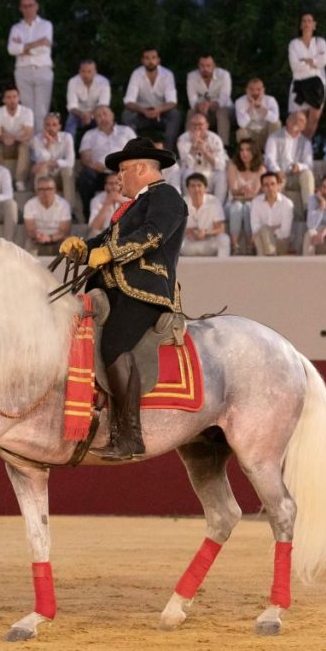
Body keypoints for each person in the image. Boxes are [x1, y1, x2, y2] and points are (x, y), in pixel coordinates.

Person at [58, 138, 186, 460]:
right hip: (116, 290)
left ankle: (130, 436)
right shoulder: (127, 208)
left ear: (141, 168)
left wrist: (107, 252)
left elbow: (151, 235)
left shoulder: (166, 197)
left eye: (123, 170)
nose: (118, 177)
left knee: (114, 344)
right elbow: (105, 240)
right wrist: (84, 249)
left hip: (145, 290)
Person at [7, 0, 54, 129]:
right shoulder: (16, 28)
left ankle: (40, 144)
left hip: (42, 69)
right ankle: (30, 143)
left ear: (36, 6)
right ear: (21, 8)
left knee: (41, 110)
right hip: (23, 70)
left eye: (31, 5)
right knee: (27, 110)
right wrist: (36, 43)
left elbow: (44, 49)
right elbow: (11, 49)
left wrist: (22, 47)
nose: (28, 9)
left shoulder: (46, 25)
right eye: (24, 6)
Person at [76, 104, 135, 205]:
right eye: (98, 116)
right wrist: (93, 165)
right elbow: (85, 157)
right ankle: (88, 213)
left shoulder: (126, 131)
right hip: (100, 171)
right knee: (85, 177)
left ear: (112, 115)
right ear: (95, 119)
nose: (102, 118)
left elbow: (136, 151)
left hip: (123, 170)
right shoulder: (90, 135)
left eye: (105, 114)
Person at [121, 47, 180, 149]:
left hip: (161, 113)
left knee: (175, 115)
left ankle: (168, 150)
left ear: (158, 60)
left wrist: (159, 109)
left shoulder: (167, 74)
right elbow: (128, 101)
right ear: (142, 61)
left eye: (153, 58)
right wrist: (143, 110)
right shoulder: (136, 74)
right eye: (147, 58)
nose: (150, 61)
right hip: (141, 113)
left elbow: (172, 101)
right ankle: (136, 149)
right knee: (126, 115)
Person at [288, 12, 326, 139]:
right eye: (304, 21)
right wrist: (313, 62)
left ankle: (306, 145)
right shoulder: (294, 44)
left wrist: (307, 61)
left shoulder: (320, 42)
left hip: (317, 85)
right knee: (299, 119)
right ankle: (295, 147)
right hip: (299, 84)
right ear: (300, 25)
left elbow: (324, 60)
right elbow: (294, 65)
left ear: (314, 25)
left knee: (313, 119)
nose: (306, 24)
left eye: (309, 21)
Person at [30, 112, 78, 217]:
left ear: (60, 126)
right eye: (47, 125)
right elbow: (40, 160)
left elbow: (70, 162)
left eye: (54, 125)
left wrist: (51, 163)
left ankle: (70, 209)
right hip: (46, 175)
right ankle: (39, 208)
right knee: (41, 170)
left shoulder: (67, 137)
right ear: (43, 126)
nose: (51, 128)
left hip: (61, 176)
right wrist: (48, 144)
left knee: (67, 170)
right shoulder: (37, 139)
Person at [264, 111, 314, 208]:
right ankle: (274, 210)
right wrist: (277, 171)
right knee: (273, 180)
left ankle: (308, 210)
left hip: (296, 175)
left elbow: (309, 163)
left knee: (307, 174)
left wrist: (299, 166)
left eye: (301, 120)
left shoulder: (306, 142)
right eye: (294, 118)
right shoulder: (274, 137)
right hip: (278, 175)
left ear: (304, 126)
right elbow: (269, 158)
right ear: (287, 120)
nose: (297, 122)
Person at [0, 85, 34, 191]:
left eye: (15, 97)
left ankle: (19, 180)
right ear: (4, 100)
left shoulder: (27, 112)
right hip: (5, 145)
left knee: (25, 147)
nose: (12, 100)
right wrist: (4, 138)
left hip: (19, 143)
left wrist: (12, 138)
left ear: (19, 98)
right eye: (9, 97)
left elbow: (28, 135)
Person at [176, 112, 227, 201]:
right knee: (187, 172)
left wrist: (205, 152)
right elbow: (187, 163)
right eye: (194, 124)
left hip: (210, 172)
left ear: (207, 125)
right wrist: (194, 146)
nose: (197, 127)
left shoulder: (215, 139)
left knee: (221, 174)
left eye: (200, 124)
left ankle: (219, 205)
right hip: (193, 171)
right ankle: (187, 203)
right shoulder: (183, 139)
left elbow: (220, 164)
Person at [226, 139, 263, 254]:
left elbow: (254, 195)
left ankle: (250, 244)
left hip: (251, 203)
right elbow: (234, 191)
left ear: (254, 152)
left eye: (248, 150)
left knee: (248, 207)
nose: (244, 153)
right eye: (242, 150)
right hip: (232, 204)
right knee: (236, 207)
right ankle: (234, 245)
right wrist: (241, 192)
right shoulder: (233, 166)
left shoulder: (261, 169)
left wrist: (241, 193)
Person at [186, 54, 233, 145]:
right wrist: (199, 106)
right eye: (202, 65)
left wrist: (210, 104)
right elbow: (192, 99)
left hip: (224, 109)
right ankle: (188, 144)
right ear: (198, 66)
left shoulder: (224, 75)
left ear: (214, 66)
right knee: (191, 112)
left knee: (221, 112)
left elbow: (224, 98)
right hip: (202, 109)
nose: (205, 69)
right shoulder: (191, 76)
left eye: (208, 65)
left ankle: (223, 147)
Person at [180, 173, 229, 258]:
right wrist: (187, 231)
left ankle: (222, 269)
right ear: (188, 189)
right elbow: (174, 228)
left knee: (224, 239)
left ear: (205, 188)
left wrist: (206, 233)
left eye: (199, 185)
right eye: (192, 186)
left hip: (208, 243)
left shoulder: (214, 201)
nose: (196, 189)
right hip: (188, 244)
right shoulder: (182, 203)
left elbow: (221, 229)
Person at [23, 175, 71, 255]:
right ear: (36, 191)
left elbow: (64, 231)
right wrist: (37, 235)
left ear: (55, 190)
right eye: (41, 189)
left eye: (49, 189)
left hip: (57, 237)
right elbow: (30, 229)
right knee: (29, 242)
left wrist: (50, 238)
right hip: (38, 237)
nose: (45, 192)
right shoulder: (29, 204)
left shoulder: (63, 204)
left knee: (68, 241)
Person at [64, 59, 109, 143]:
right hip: (78, 114)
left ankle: (101, 147)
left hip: (97, 113)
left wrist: (90, 115)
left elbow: (103, 104)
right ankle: (68, 149)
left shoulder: (103, 82)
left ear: (95, 72)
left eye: (89, 71)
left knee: (104, 117)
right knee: (70, 120)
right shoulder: (73, 82)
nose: (86, 74)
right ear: (79, 71)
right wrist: (83, 115)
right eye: (83, 71)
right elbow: (72, 106)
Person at [250, 172, 294, 256]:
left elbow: (285, 232)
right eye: (266, 185)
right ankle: (270, 258)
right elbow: (255, 228)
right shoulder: (256, 202)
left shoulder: (287, 203)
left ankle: (264, 263)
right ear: (262, 188)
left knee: (262, 233)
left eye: (273, 184)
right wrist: (274, 228)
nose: (270, 188)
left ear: (278, 185)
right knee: (261, 234)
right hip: (261, 239)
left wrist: (267, 231)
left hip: (281, 242)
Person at [234, 77, 281, 149]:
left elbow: (275, 119)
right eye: (251, 89)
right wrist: (251, 107)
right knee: (241, 132)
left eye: (258, 89)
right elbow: (241, 124)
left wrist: (261, 108)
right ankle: (248, 155)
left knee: (277, 123)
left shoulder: (270, 100)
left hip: (266, 134)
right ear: (246, 90)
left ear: (263, 90)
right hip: (250, 134)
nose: (255, 92)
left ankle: (271, 151)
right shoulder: (240, 102)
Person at [87, 172, 125, 239]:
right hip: (104, 233)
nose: (113, 186)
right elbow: (95, 227)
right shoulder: (96, 200)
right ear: (105, 186)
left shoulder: (128, 196)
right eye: (110, 183)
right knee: (94, 233)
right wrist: (107, 204)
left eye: (116, 183)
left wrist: (121, 201)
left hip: (123, 232)